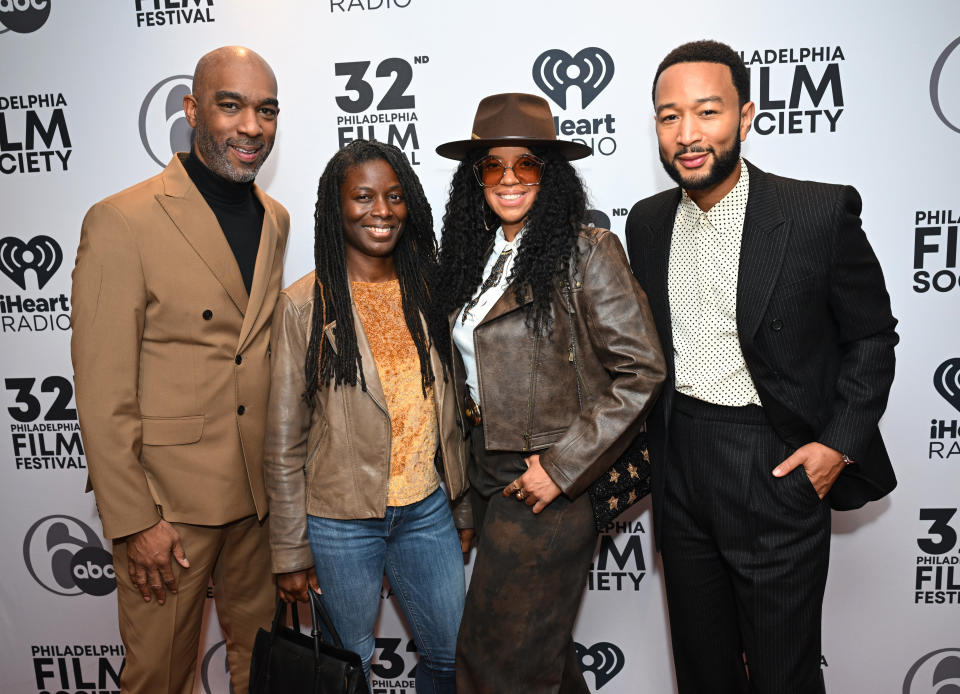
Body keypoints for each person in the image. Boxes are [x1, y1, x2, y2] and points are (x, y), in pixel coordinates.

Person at [625, 40, 898, 694]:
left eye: (707, 112)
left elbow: (871, 337)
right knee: (702, 668)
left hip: (773, 462)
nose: (687, 134)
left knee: (783, 674)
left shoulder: (816, 213)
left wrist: (836, 445)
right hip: (681, 460)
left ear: (745, 117)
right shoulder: (647, 222)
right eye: (668, 116)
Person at [70, 46, 288, 694]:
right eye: (231, 105)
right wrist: (137, 520)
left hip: (256, 502)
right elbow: (101, 387)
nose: (251, 125)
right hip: (169, 511)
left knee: (264, 671)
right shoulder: (122, 219)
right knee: (160, 680)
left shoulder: (273, 218)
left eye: (266, 110)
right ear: (192, 109)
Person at [433, 93, 666, 694]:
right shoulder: (476, 257)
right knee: (539, 656)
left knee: (494, 663)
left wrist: (562, 468)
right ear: (475, 178)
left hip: (547, 484)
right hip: (490, 472)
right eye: (493, 166)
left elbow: (641, 369)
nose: (509, 179)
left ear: (551, 173)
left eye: (527, 164)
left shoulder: (587, 252)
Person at [263, 139, 471, 694]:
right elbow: (283, 443)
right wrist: (289, 551)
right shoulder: (304, 305)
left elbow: (451, 411)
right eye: (363, 196)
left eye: (395, 196)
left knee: (453, 658)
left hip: (426, 510)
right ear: (336, 207)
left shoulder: (429, 290)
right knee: (347, 670)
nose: (382, 210)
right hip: (340, 523)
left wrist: (462, 503)